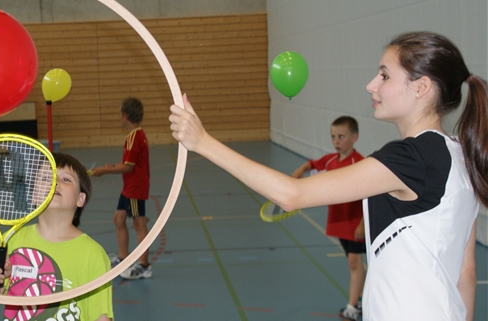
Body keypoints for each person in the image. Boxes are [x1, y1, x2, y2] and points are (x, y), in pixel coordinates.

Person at [169, 31, 487, 321]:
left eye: (384, 75)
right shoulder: (462, 155)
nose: (372, 85)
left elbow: (293, 194)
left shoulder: (410, 159)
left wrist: (203, 143)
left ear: (421, 87)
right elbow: (466, 273)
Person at [0, 153, 114, 321]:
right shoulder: (14, 240)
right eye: (46, 177)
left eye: (66, 179)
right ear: (33, 195)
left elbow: (101, 318)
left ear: (80, 198)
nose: (55, 182)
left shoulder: (93, 254)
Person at [291, 116, 365, 320]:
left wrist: (363, 223)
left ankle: (352, 308)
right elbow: (312, 164)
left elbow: (370, 196)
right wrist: (299, 172)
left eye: (341, 136)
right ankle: (360, 300)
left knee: (354, 263)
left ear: (354, 137)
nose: (336, 141)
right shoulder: (332, 160)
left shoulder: (359, 163)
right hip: (339, 223)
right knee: (355, 264)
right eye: (333, 137)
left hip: (356, 224)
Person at [91, 97, 152, 280]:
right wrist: (113, 166)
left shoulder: (135, 137)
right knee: (119, 218)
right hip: (129, 187)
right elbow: (128, 163)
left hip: (135, 188)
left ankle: (144, 265)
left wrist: (103, 171)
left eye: (120, 114)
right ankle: (123, 258)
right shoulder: (134, 136)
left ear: (125, 116)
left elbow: (129, 167)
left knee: (139, 224)